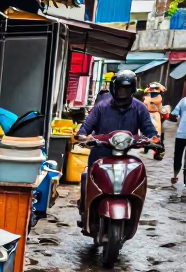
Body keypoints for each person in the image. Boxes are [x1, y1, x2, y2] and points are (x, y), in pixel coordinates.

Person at [77, 68, 157, 213]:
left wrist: (154, 141)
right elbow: (86, 127)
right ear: (114, 88)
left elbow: (148, 129)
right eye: (120, 88)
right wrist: (83, 135)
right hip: (100, 154)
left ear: (132, 89)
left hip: (126, 156)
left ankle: (134, 207)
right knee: (87, 178)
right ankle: (86, 209)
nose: (123, 92)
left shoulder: (140, 108)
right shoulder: (101, 107)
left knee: (138, 178)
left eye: (126, 89)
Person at [169, 94, 186, 184]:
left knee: (178, 156)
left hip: (181, 133)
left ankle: (175, 175)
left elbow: (174, 115)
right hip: (181, 133)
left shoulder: (183, 100)